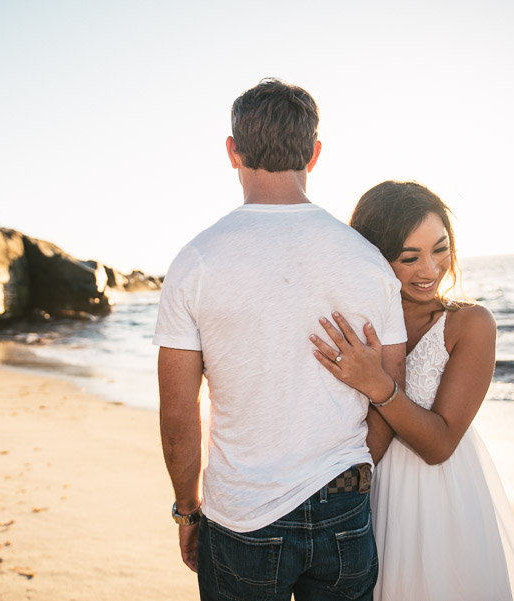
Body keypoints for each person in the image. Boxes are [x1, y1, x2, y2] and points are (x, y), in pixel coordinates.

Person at [154, 79, 408, 600]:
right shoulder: (368, 262)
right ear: (314, 154)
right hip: (344, 505)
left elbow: (178, 409)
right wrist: (350, 481)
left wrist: (186, 507)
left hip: (243, 514)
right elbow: (390, 390)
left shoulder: (197, 261)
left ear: (232, 152)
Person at [310, 181, 514, 601]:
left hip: (440, 500)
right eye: (409, 257)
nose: (430, 270)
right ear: (374, 257)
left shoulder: (471, 325)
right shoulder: (353, 324)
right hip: (363, 496)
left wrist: (377, 383)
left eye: (441, 248)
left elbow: (440, 444)